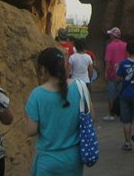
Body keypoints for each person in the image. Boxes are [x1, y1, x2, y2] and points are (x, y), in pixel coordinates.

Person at [25, 47, 93, 176]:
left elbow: (31, 130)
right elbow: (91, 117)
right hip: (73, 160)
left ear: (43, 69)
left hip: (47, 161)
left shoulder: (37, 95)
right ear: (64, 65)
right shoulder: (80, 87)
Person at [103, 27, 128, 121]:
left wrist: (106, 72)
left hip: (112, 73)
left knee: (111, 94)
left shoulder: (110, 46)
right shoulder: (125, 45)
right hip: (123, 73)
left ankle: (111, 114)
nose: (109, 36)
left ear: (113, 36)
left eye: (110, 34)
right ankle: (123, 113)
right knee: (122, 94)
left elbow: (108, 61)